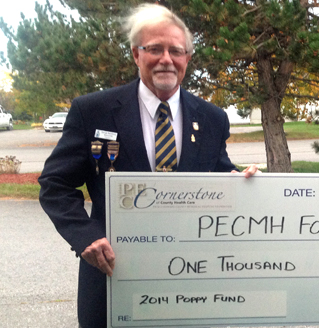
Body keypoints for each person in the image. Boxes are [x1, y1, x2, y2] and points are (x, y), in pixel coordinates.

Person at [38, 4, 258, 327]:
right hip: (113, 279)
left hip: (191, 285)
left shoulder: (212, 118)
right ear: (135, 54)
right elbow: (55, 185)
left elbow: (217, 170)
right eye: (154, 48)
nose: (166, 58)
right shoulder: (92, 111)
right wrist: (85, 236)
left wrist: (241, 181)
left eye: (175, 50)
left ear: (187, 58)